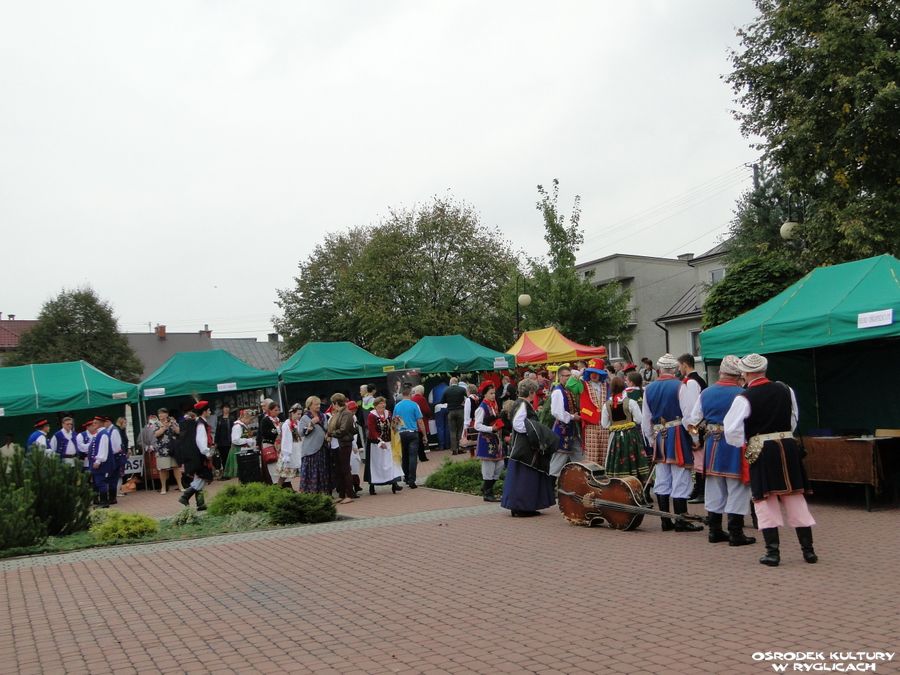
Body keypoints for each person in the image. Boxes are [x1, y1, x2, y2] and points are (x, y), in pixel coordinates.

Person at [724, 353, 817, 567]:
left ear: (745, 373)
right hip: (787, 445)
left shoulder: (744, 397)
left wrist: (745, 441)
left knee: (765, 499)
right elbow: (794, 418)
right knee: (794, 496)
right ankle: (808, 551)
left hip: (762, 448)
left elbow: (731, 429)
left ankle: (773, 553)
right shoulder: (785, 389)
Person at [684, 355, 756, 547]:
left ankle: (714, 531)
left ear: (721, 372)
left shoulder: (706, 393)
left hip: (712, 444)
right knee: (737, 487)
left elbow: (692, 421)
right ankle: (736, 533)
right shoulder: (743, 394)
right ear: (738, 374)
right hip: (736, 444)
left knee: (714, 487)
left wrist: (697, 439)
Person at [642, 354, 703, 533]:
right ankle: (681, 521)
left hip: (659, 434)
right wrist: (695, 439)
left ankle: (665, 521)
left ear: (659, 370)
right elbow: (689, 417)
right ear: (674, 369)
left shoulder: (649, 388)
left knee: (662, 477)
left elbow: (646, 419)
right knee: (680, 477)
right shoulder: (680, 386)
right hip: (677, 434)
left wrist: (651, 439)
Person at [500, 379, 556, 517]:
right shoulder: (522, 404)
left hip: (521, 445)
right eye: (534, 392)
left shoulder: (519, 403)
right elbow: (518, 424)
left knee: (521, 477)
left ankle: (520, 507)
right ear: (531, 392)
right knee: (525, 477)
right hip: (524, 446)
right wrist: (535, 432)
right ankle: (522, 507)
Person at [601, 377, 650, 481]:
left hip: (615, 437)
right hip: (631, 435)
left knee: (616, 458)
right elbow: (639, 419)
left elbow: (604, 424)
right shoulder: (630, 402)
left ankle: (618, 482)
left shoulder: (606, 405)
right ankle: (636, 481)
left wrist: (615, 425)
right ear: (624, 387)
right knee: (634, 458)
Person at [678, 353, 708, 504]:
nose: (679, 369)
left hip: (696, 426)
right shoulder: (699, 380)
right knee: (699, 459)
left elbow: (691, 411)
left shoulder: (691, 382)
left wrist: (694, 435)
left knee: (699, 459)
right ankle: (699, 489)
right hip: (700, 425)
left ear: (685, 364)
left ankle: (702, 491)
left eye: (679, 366)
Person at [179, 401, 215, 510]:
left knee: (200, 478)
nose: (210, 412)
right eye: (208, 410)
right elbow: (200, 440)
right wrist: (207, 452)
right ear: (204, 411)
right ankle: (185, 496)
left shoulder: (200, 422)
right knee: (202, 477)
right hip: (201, 455)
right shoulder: (200, 424)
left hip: (200, 454)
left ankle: (200, 504)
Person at [549, 366, 583, 477]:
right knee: (557, 463)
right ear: (560, 377)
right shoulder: (558, 391)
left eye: (570, 375)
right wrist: (573, 417)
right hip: (562, 431)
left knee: (581, 459)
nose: (569, 378)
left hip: (572, 431)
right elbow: (557, 412)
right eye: (566, 376)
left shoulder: (568, 389)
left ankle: (582, 481)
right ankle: (550, 485)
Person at [365, 396, 403, 495]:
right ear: (376, 406)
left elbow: (392, 427)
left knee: (391, 463)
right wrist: (379, 441)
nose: (383, 405)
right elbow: (372, 430)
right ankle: (372, 486)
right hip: (376, 444)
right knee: (376, 465)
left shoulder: (388, 413)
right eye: (380, 404)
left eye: (384, 403)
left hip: (388, 442)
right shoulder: (372, 415)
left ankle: (394, 484)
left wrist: (396, 423)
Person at [473, 382, 504, 502]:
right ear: (485, 394)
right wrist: (491, 428)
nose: (493, 395)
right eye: (491, 393)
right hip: (486, 439)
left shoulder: (493, 405)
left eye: (494, 393)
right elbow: (477, 425)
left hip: (494, 439)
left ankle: (486, 487)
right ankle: (487, 493)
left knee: (500, 464)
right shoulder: (482, 408)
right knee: (489, 466)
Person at [577, 360, 610, 467]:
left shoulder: (606, 386)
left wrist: (610, 375)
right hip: (590, 424)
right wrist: (579, 373)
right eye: (591, 372)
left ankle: (604, 475)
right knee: (592, 456)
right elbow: (570, 385)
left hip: (605, 424)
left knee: (605, 454)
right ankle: (591, 475)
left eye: (597, 373)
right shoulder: (583, 385)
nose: (594, 375)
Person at [393, 384, 427, 489]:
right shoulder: (414, 405)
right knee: (413, 456)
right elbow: (420, 421)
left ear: (402, 394)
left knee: (404, 457)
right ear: (411, 394)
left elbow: (395, 423)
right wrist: (424, 435)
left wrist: (394, 435)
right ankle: (412, 480)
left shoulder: (397, 406)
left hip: (401, 434)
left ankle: (406, 477)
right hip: (412, 433)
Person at [326, 393, 357, 504]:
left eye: (332, 403)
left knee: (345, 469)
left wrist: (331, 434)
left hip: (344, 444)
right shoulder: (338, 413)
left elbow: (343, 430)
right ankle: (341, 494)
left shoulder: (346, 413)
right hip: (336, 444)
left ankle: (349, 494)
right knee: (339, 470)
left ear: (335, 403)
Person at [299, 396, 331, 494]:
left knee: (323, 470)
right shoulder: (305, 417)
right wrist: (311, 423)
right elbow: (301, 433)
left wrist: (328, 434)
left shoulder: (323, 416)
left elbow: (327, 429)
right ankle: (311, 492)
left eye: (319, 404)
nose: (318, 406)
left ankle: (323, 492)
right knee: (312, 470)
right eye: (316, 404)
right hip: (311, 449)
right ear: (310, 405)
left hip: (323, 448)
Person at [152, 408, 183, 494]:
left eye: (162, 413)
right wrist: (164, 427)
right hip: (162, 449)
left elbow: (179, 431)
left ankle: (180, 486)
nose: (160, 415)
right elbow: (155, 434)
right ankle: (163, 487)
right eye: (159, 414)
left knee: (176, 467)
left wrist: (173, 424)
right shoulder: (156, 424)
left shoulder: (172, 421)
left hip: (173, 448)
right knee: (163, 469)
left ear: (167, 414)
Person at [223, 408, 257, 480]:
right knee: (241, 472)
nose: (251, 422)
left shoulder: (243, 426)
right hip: (238, 451)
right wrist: (247, 440)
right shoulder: (237, 426)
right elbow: (235, 440)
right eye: (250, 419)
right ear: (245, 417)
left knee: (244, 473)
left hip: (243, 450)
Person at [276, 403, 303, 489]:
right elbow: (286, 440)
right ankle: (276, 490)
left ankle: (303, 490)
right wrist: (286, 454)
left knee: (301, 473)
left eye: (300, 414)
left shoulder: (298, 423)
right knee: (284, 475)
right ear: (292, 413)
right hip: (289, 452)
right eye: (298, 414)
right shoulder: (287, 424)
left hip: (297, 451)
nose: (299, 416)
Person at [88, 419, 114, 508]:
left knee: (101, 482)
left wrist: (98, 461)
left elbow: (103, 449)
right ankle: (102, 501)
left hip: (102, 464)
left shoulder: (103, 434)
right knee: (98, 482)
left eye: (96, 423)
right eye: (93, 423)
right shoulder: (99, 433)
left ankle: (104, 502)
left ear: (101, 423)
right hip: (98, 463)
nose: (93, 424)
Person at [441, 377, 466, 455]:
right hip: (460, 411)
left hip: (451, 412)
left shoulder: (446, 390)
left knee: (452, 431)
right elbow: (468, 398)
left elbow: (442, 401)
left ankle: (454, 449)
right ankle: (460, 448)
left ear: (450, 382)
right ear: (457, 382)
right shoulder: (462, 389)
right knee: (460, 430)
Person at [259, 402, 282, 484]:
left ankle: (283, 484)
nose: (277, 412)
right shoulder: (265, 420)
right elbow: (264, 433)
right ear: (270, 410)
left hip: (278, 445)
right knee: (272, 463)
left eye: (278, 410)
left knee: (280, 464)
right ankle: (274, 483)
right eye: (275, 410)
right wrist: (276, 431)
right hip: (269, 445)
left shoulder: (278, 420)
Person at [411, 384, 432, 462]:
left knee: (416, 440)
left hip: (413, 422)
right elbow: (427, 410)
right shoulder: (422, 399)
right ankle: (422, 457)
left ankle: (417, 456)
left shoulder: (412, 399)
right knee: (421, 440)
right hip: (421, 420)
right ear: (422, 391)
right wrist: (429, 415)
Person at [214, 404, 234, 475]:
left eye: (227, 407)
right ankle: (225, 472)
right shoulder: (219, 418)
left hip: (229, 441)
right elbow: (217, 431)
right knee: (223, 457)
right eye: (225, 407)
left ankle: (230, 472)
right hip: (221, 442)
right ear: (222, 409)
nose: (226, 409)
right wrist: (216, 442)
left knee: (230, 457)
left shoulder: (232, 418)